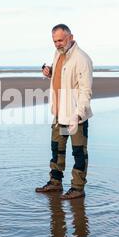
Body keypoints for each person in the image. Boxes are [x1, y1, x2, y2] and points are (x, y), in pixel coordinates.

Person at [36, 24, 93, 200]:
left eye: (60, 40)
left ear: (71, 37)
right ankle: (55, 182)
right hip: (60, 113)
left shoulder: (82, 59)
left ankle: (77, 187)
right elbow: (62, 75)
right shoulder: (59, 54)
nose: (58, 44)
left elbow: (85, 91)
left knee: (78, 152)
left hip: (76, 116)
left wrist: (78, 114)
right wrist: (50, 73)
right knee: (57, 149)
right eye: (55, 41)